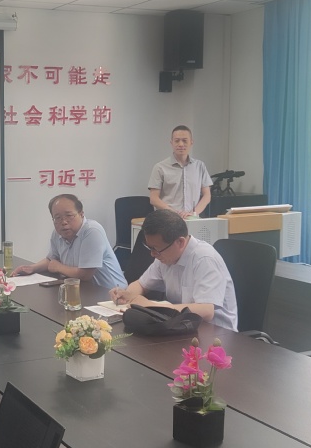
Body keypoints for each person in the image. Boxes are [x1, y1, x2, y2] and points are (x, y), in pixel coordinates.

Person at [109, 210, 237, 331]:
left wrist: (154, 307)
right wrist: (128, 295)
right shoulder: (165, 256)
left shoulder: (205, 259)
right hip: (183, 327)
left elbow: (206, 311)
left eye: (156, 249)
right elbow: (141, 284)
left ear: (180, 242)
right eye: (150, 248)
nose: (152, 254)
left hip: (217, 334)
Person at [13, 194, 127, 290]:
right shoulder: (57, 233)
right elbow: (51, 260)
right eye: (57, 218)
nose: (64, 222)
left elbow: (85, 275)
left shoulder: (92, 231)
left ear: (81, 214)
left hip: (111, 294)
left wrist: (59, 267)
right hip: (83, 290)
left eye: (69, 215)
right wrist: (32, 268)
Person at [148, 125, 212, 219]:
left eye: (185, 141)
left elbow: (207, 195)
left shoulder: (200, 166)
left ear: (191, 142)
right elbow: (154, 199)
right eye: (177, 141)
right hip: (168, 219)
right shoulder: (160, 167)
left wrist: (194, 213)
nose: (181, 144)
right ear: (171, 143)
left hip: (192, 219)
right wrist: (173, 213)